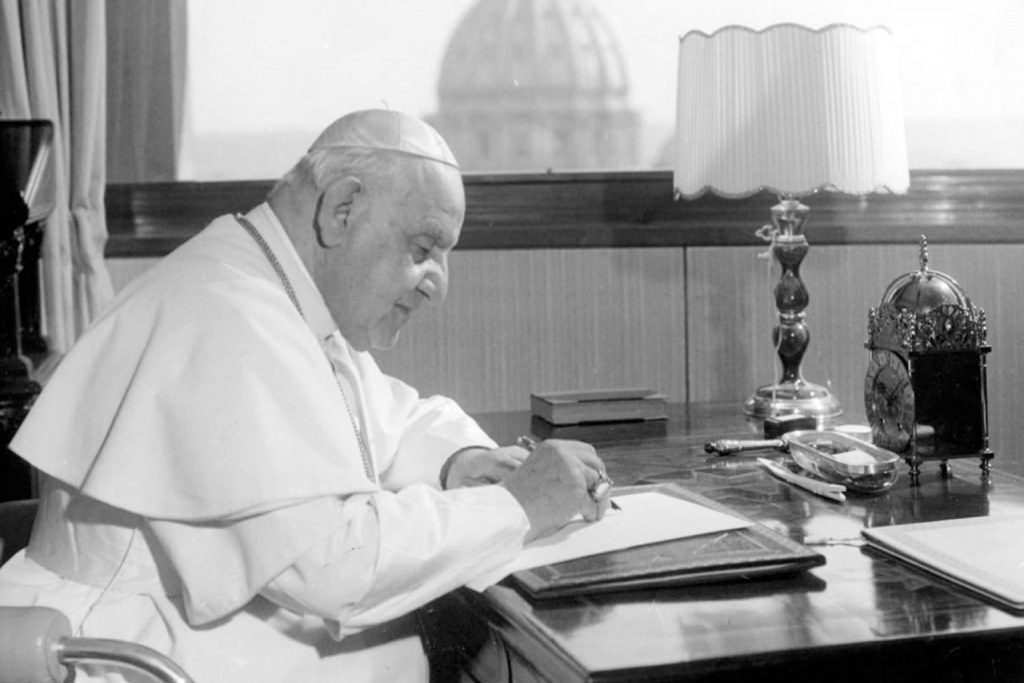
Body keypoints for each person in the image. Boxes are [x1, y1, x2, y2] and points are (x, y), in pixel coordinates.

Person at [0, 109, 611, 681]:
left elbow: (387, 421)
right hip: (131, 650)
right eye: (423, 250)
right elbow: (334, 565)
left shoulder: (273, 285)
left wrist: (465, 463)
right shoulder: (226, 313)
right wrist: (519, 507)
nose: (438, 286)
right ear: (341, 208)